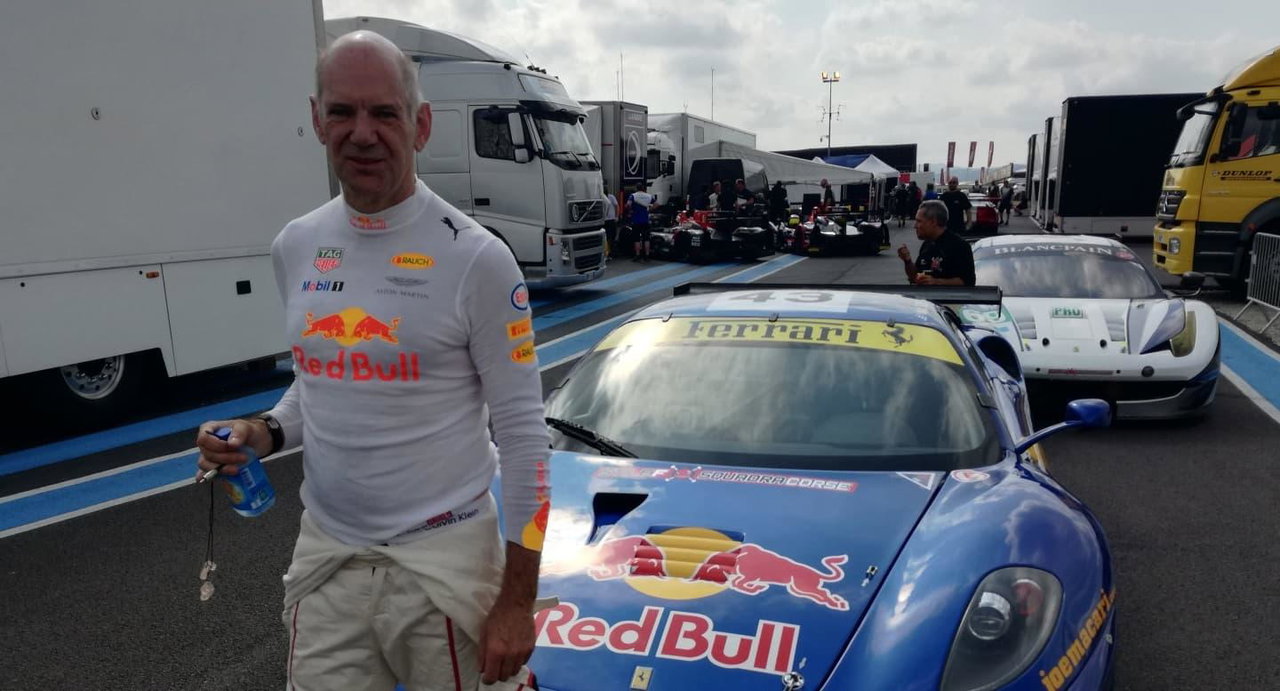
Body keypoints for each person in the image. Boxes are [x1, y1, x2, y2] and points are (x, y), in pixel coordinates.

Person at [194, 31, 548, 690]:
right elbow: (321, 380)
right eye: (342, 112)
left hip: (446, 562)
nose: (362, 133)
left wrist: (517, 602)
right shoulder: (296, 245)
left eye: (384, 113)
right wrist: (260, 431)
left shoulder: (477, 258)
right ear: (316, 119)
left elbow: (525, 438)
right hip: (330, 558)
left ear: (421, 125)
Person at [896, 199, 976, 286]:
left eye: (919, 221)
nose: (915, 226)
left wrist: (936, 282)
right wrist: (907, 261)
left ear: (933, 222)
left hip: (945, 295)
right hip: (923, 295)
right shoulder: (927, 244)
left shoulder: (959, 246)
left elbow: (968, 282)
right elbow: (914, 277)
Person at [627, 181, 657, 261]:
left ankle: (637, 255)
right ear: (643, 188)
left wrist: (630, 211)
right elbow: (657, 204)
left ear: (636, 188)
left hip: (636, 221)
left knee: (636, 239)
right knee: (646, 239)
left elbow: (628, 205)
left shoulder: (633, 196)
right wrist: (649, 210)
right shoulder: (648, 196)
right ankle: (647, 255)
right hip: (645, 220)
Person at [603, 183, 619, 258]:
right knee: (608, 237)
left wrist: (616, 216)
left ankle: (610, 252)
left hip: (611, 219)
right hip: (606, 220)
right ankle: (608, 252)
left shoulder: (611, 197)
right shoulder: (604, 197)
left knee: (611, 236)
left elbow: (616, 206)